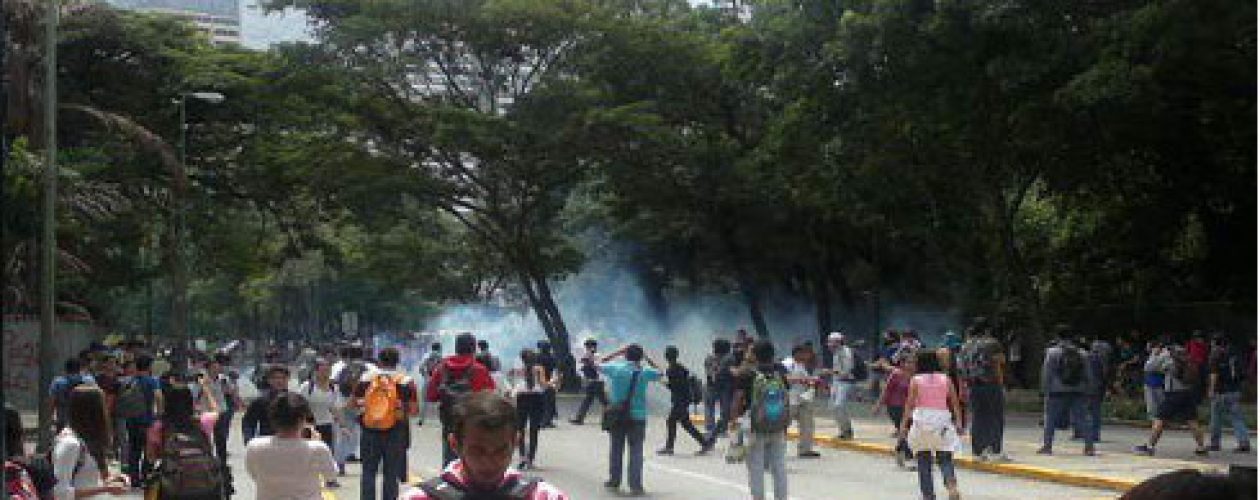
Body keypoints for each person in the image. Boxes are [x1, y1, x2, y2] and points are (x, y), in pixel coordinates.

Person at [400, 392, 569, 499]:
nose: (490, 462)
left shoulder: (544, 496)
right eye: (477, 451)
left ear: (516, 443)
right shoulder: (420, 497)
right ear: (454, 445)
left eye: (501, 451)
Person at [354, 346, 419, 500]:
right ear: (398, 361)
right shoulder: (405, 380)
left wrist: (372, 408)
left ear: (379, 361)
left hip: (370, 430)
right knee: (391, 473)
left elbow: (354, 403)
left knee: (368, 471)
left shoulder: (366, 378)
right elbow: (414, 410)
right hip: (396, 431)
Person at [245, 393, 338, 500]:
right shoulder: (317, 448)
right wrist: (317, 441)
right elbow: (331, 475)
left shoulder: (254, 446)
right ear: (301, 420)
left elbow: (253, 474)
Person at [900, 350, 964, 500]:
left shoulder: (916, 380)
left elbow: (909, 405)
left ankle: (928, 495)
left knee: (923, 459)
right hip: (941, 421)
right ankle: (951, 487)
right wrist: (959, 423)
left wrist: (903, 426)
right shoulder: (946, 379)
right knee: (945, 458)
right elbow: (955, 403)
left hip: (922, 420)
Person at [426, 333, 497, 468]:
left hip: (449, 418)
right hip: (475, 421)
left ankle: (450, 483)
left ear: (456, 347)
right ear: (474, 348)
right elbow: (490, 396)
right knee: (474, 456)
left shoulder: (441, 368)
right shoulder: (479, 369)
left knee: (449, 454)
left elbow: (431, 395)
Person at [731, 341, 790, 500]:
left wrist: (734, 420)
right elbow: (785, 397)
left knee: (755, 468)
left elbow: (738, 397)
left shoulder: (748, 374)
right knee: (779, 467)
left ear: (755, 355)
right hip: (777, 424)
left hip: (754, 426)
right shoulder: (779, 372)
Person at [600, 344, 662, 496]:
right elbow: (661, 372)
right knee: (636, 451)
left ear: (625, 356)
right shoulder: (645, 372)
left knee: (616, 448)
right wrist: (647, 357)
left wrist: (616, 353)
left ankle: (614, 480)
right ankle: (636, 485)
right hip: (638, 416)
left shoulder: (616, 369)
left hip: (618, 415)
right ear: (640, 357)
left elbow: (599, 364)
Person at [144, 384, 223, 499]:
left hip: (173, 487)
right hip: (206, 485)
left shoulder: (159, 427)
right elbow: (216, 410)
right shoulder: (202, 422)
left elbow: (151, 457)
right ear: (190, 402)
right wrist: (205, 389)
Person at [52, 387, 130, 500]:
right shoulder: (70, 444)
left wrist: (114, 480)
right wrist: (105, 489)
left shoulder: (86, 439)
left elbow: (86, 479)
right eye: (103, 406)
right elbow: (59, 492)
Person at [1135, 345, 1209, 456]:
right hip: (1187, 393)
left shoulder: (1168, 359)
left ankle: (1150, 446)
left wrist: (1154, 355)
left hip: (1173, 394)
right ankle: (1201, 447)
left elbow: (1149, 367)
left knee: (1159, 419)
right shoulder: (1186, 358)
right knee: (1192, 421)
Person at [1039, 334, 1096, 456]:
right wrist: (1089, 389)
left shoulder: (1052, 352)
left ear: (1058, 338)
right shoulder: (1083, 354)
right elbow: (1088, 374)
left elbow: (1047, 372)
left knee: (1050, 419)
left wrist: (1045, 389)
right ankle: (1089, 447)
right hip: (1078, 391)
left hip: (1057, 391)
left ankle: (1047, 446)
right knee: (1083, 419)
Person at [958, 324, 1008, 462]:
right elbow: (999, 361)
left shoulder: (964, 347)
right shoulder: (991, 343)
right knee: (995, 417)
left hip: (973, 385)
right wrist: (1001, 383)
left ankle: (978, 451)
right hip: (991, 384)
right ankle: (995, 449)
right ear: (986, 330)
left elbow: (961, 369)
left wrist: (963, 387)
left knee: (978, 418)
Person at [658, 346, 713, 456]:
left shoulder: (672, 369)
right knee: (686, 424)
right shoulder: (681, 367)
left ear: (666, 356)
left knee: (672, 421)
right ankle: (705, 443)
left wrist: (663, 382)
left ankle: (670, 447)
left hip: (679, 401)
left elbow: (674, 387)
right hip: (684, 399)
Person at [117, 354, 162, 486]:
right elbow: (158, 397)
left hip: (131, 419)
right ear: (149, 366)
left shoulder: (128, 381)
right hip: (147, 420)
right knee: (149, 449)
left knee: (134, 449)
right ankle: (146, 476)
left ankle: (134, 478)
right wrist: (159, 414)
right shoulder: (152, 381)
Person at [300, 357, 344, 488]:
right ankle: (306, 478)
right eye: (323, 370)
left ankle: (330, 479)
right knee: (307, 453)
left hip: (327, 424)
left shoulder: (333, 387)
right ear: (316, 371)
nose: (326, 373)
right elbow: (299, 404)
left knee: (328, 453)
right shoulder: (307, 387)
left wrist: (342, 425)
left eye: (328, 370)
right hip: (309, 425)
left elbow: (334, 407)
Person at [509, 348, 556, 469]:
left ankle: (522, 457)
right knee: (534, 429)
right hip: (536, 398)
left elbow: (511, 384)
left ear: (522, 359)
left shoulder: (516, 370)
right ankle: (530, 459)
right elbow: (543, 384)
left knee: (520, 428)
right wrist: (554, 381)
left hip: (521, 398)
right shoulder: (539, 369)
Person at [1207, 335, 1251, 453]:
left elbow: (1214, 374)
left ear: (1216, 344)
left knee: (1216, 418)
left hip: (1221, 392)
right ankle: (1244, 442)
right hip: (1235, 390)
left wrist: (1211, 390)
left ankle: (1215, 443)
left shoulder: (1215, 355)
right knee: (1237, 418)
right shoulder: (1234, 354)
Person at [874, 351, 916, 468]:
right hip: (895, 407)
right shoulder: (896, 374)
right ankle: (908, 455)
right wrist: (878, 406)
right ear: (902, 363)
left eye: (913, 362)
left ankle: (900, 452)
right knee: (904, 430)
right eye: (908, 362)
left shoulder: (915, 376)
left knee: (907, 431)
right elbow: (886, 391)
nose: (911, 365)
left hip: (910, 408)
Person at [781, 344, 821, 458]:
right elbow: (785, 378)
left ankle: (805, 449)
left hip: (803, 398)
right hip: (790, 398)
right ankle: (778, 450)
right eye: (805, 353)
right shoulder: (788, 363)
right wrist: (805, 380)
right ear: (798, 353)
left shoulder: (802, 365)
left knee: (807, 424)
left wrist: (812, 382)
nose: (808, 356)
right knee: (783, 425)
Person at [243, 364, 291, 443]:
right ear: (269, 380)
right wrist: (249, 440)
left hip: (291, 443)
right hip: (267, 443)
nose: (279, 381)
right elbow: (248, 422)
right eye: (275, 378)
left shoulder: (296, 401)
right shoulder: (260, 401)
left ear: (288, 379)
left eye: (283, 378)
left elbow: (306, 421)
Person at [824, 332, 857, 440]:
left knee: (839, 405)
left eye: (831, 342)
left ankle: (847, 430)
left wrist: (830, 372)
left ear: (837, 342)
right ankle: (843, 430)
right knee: (834, 407)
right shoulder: (836, 352)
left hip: (845, 382)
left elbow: (846, 371)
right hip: (837, 382)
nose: (828, 344)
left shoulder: (845, 353)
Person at [50, 358, 97, 433]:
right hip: (84, 419)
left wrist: (51, 417)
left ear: (66, 369)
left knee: (63, 441)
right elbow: (95, 399)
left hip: (63, 418)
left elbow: (52, 401)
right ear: (79, 369)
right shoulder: (89, 380)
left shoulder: (58, 382)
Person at [570, 338, 609, 425]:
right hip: (592, 381)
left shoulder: (597, 355)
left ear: (593, 347)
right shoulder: (589, 355)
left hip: (597, 381)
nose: (587, 348)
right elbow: (582, 363)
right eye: (587, 347)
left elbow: (597, 366)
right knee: (588, 400)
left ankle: (611, 417)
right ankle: (579, 418)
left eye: (588, 346)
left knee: (604, 401)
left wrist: (589, 359)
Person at [703, 339, 735, 438]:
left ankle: (710, 429)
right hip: (725, 386)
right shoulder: (729, 358)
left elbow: (708, 371)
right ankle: (722, 430)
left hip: (710, 386)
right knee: (724, 409)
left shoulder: (709, 358)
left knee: (709, 408)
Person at [417, 342, 443, 426]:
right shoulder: (441, 357)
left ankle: (421, 419)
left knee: (424, 400)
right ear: (439, 348)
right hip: (438, 381)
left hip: (428, 378)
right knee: (441, 400)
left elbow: (421, 367)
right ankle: (441, 420)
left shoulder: (427, 355)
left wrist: (425, 376)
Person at [535, 341, 559, 428]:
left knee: (542, 402)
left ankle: (543, 421)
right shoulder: (552, 358)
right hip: (550, 381)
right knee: (550, 403)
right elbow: (555, 370)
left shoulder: (538, 357)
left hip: (540, 382)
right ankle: (548, 421)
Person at [1143, 339, 1169, 421]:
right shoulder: (1151, 356)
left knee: (1161, 404)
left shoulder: (1165, 356)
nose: (1149, 349)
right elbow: (1147, 368)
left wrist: (1157, 366)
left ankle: (1161, 420)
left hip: (1159, 384)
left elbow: (1164, 369)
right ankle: (1153, 422)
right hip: (1149, 383)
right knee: (1151, 406)